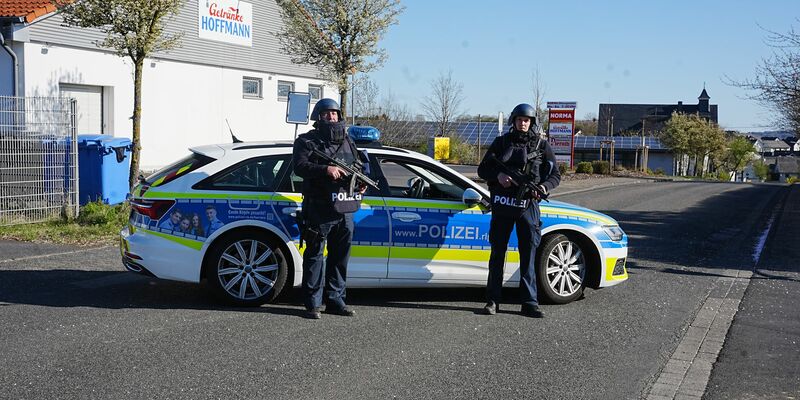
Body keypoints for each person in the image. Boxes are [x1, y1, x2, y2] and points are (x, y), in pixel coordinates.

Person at [477, 103, 561, 318]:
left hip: (528, 207)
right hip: (502, 205)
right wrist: (498, 177)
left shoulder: (542, 146)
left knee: (529, 255)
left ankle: (529, 302)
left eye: (527, 120)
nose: (523, 123)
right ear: (513, 121)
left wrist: (542, 187)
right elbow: (483, 169)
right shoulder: (501, 142)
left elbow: (555, 176)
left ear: (532, 123)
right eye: (519, 120)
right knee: (497, 255)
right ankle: (492, 301)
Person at [292, 98, 365, 319]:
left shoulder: (348, 140)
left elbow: (359, 165)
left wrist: (361, 184)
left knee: (340, 257)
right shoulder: (306, 141)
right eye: (326, 114)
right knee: (315, 256)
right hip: (319, 208)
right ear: (318, 117)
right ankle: (313, 304)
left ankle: (336, 300)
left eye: (334, 113)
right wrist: (325, 169)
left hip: (345, 207)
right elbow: (300, 167)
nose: (331, 117)